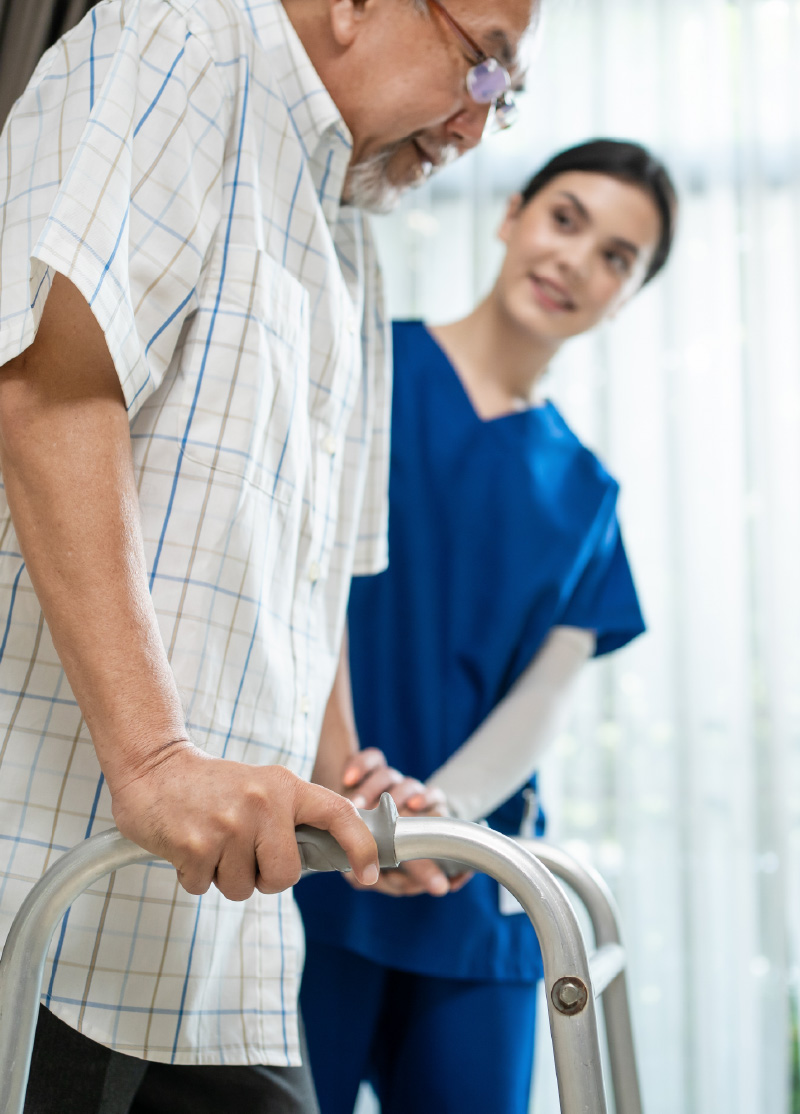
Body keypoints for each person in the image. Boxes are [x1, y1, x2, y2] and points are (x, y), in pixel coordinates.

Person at [0, 1, 539, 1110]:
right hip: (45, 900)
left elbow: (314, 561)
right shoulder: (178, 49)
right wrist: (153, 762)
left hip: (214, 953)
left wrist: (349, 795)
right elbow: (45, 391)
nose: (472, 129)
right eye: (481, 68)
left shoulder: (346, 228)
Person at [296, 138, 678, 1114]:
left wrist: (439, 817)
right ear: (510, 214)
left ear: (624, 295)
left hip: (468, 884)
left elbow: (544, 700)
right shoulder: (360, 366)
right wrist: (363, 810)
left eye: (614, 257)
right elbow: (289, 583)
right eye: (564, 219)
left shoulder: (585, 492)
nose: (574, 261)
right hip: (308, 854)